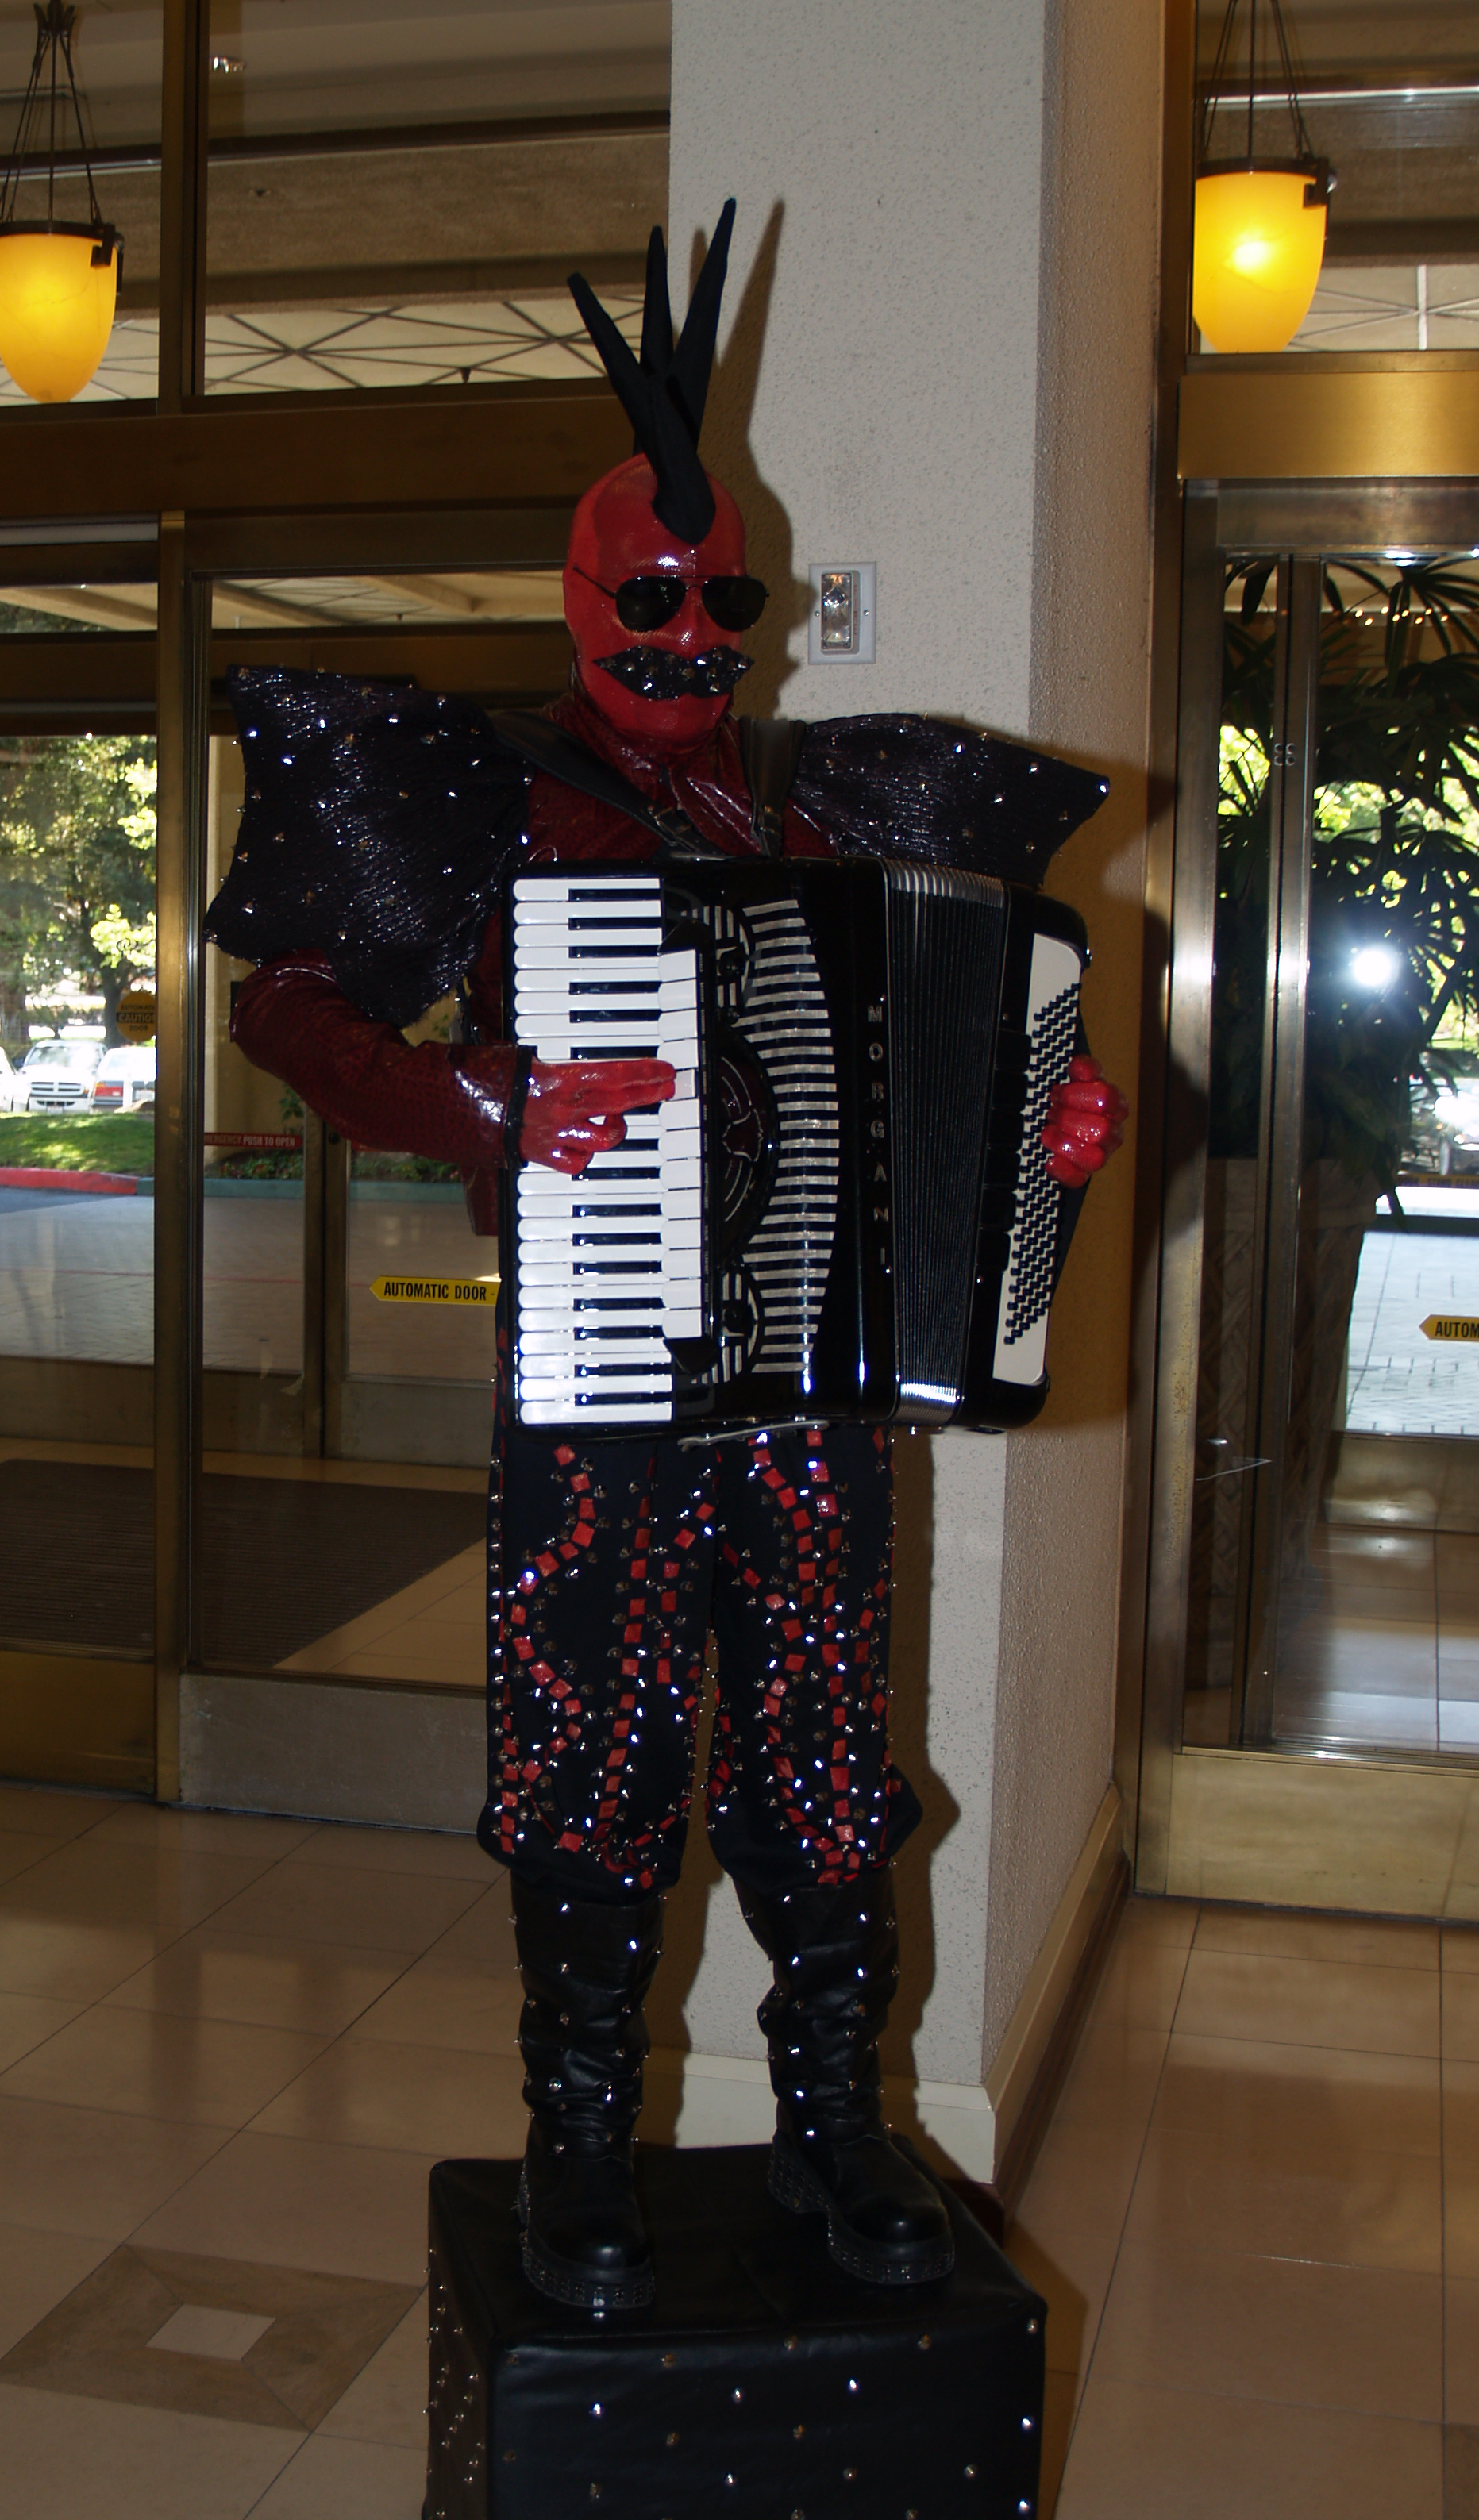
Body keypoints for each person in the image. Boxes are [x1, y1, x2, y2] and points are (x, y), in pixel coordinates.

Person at [208, 205, 1127, 2314]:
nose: (694, 633)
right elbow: (286, 1008)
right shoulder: (493, 795)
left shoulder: (832, 812)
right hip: (598, 1380)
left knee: (819, 1755)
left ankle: (833, 2122)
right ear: (582, 594)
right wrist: (480, 1103)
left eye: (727, 602)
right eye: (653, 596)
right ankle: (578, 2141)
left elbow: (974, 1060)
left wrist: (1049, 1134)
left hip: (806, 1391)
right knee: (589, 1751)